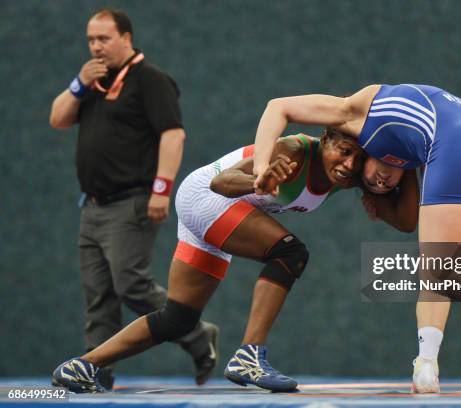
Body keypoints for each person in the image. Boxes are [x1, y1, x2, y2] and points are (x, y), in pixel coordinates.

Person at [250, 84, 461, 392]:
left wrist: (261, 168)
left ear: (364, 149)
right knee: (446, 273)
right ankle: (426, 366)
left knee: (437, 269)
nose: (379, 180)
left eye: (372, 176)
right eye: (378, 187)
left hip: (459, 145)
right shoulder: (413, 149)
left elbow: (278, 106)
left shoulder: (352, 111)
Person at [51, 128, 366, 393]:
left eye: (359, 158)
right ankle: (249, 356)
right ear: (325, 140)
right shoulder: (294, 149)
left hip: (211, 206)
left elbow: (406, 219)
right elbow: (222, 182)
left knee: (179, 318)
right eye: (344, 151)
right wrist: (258, 182)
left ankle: (82, 366)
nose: (350, 164)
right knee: (290, 252)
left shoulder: (351, 175)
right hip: (209, 196)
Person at [49, 8, 218, 387]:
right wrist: (78, 83)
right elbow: (58, 119)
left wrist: (161, 189)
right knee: (99, 295)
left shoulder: (149, 80)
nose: (96, 47)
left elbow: (173, 136)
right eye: (91, 39)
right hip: (92, 205)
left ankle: (195, 331)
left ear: (125, 38)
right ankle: (96, 372)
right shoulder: (92, 82)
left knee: (131, 284)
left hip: (132, 201)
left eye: (103, 39)